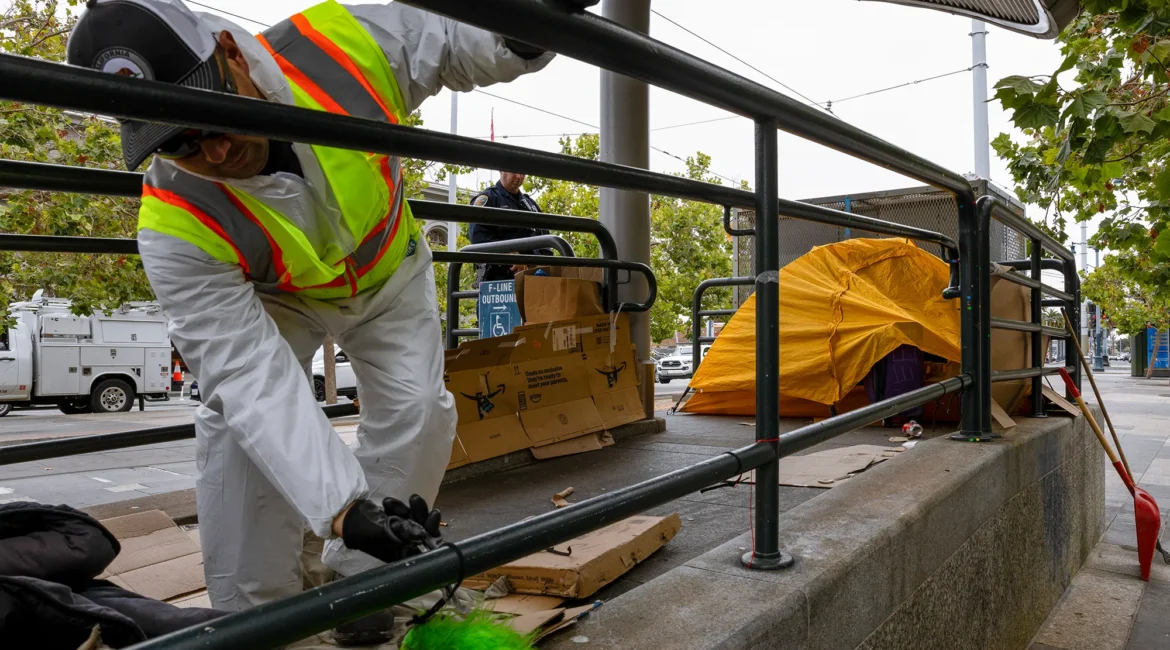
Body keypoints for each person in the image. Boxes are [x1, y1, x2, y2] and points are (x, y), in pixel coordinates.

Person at [65, 0, 560, 640]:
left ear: (233, 55)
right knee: (238, 433)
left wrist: (522, 26)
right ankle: (257, 618)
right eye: (180, 142)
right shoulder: (173, 226)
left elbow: (445, 37)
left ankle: (367, 582)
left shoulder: (335, 46)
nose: (215, 150)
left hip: (385, 267)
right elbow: (250, 378)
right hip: (278, 293)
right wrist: (343, 506)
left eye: (212, 113)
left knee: (419, 412)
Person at [468, 171, 551, 283]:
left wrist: (542, 262)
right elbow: (478, 239)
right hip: (499, 281)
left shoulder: (531, 205)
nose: (519, 176)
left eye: (522, 173)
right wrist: (509, 256)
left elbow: (546, 239)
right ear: (502, 170)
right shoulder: (489, 200)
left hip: (533, 279)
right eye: (515, 171)